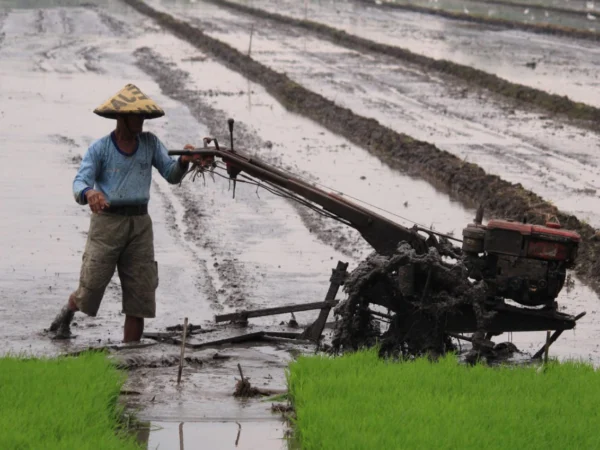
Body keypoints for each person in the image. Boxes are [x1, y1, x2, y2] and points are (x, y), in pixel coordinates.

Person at [49, 84, 209, 342]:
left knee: (140, 296)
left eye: (144, 116)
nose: (142, 121)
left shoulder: (149, 143)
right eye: (137, 115)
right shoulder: (100, 149)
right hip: (107, 225)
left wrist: (184, 162)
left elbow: (170, 174)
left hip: (140, 226)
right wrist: (90, 193)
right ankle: (67, 313)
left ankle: (132, 357)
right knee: (91, 287)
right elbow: (79, 182)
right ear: (121, 118)